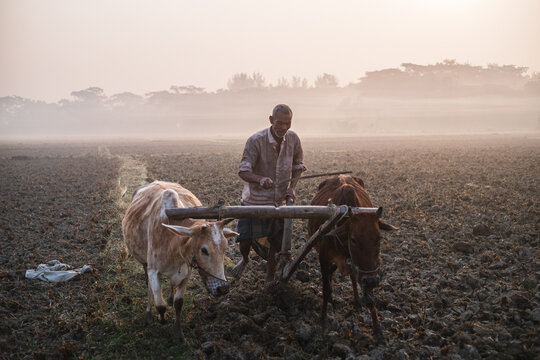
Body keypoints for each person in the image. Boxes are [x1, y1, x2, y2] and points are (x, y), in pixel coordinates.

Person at [231, 104, 306, 282]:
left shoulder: (294, 139)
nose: (284, 128)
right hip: (255, 200)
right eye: (279, 123)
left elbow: (298, 167)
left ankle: (270, 279)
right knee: (246, 239)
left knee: (275, 242)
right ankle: (245, 258)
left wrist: (292, 188)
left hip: (279, 203)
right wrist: (260, 179)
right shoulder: (255, 140)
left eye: (288, 123)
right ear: (271, 120)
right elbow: (243, 171)